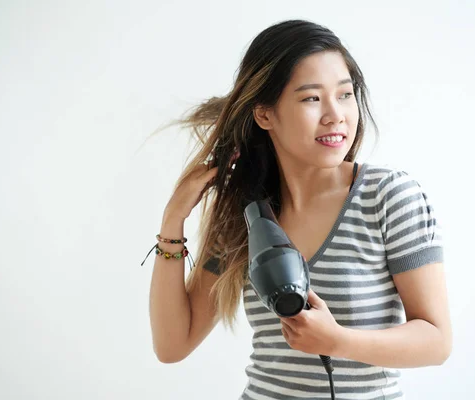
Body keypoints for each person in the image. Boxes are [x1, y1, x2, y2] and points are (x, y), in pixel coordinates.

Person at [147, 19, 452, 400]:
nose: (336, 114)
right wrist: (172, 221)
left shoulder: (388, 197)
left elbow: (436, 340)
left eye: (345, 94)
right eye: (311, 98)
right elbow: (173, 345)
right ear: (264, 115)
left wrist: (338, 340)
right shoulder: (246, 216)